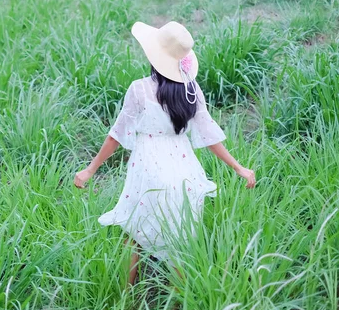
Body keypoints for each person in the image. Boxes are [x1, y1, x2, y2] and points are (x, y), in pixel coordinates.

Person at [74, 21, 256, 287]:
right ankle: (175, 306)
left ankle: (126, 298)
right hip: (185, 170)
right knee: (180, 235)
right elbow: (209, 136)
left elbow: (117, 134)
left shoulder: (139, 89)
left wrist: (90, 170)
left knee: (133, 232)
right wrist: (239, 167)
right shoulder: (192, 91)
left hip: (148, 165)